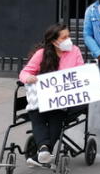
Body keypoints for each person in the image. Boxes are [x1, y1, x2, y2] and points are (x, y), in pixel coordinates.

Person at [19, 23, 84, 165]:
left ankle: (43, 152)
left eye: (69, 36)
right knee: (37, 113)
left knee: (56, 114)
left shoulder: (75, 51)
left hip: (63, 99)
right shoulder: (41, 54)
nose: (69, 40)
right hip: (42, 99)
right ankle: (44, 150)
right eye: (64, 37)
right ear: (54, 41)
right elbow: (24, 73)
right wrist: (28, 78)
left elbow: (81, 74)